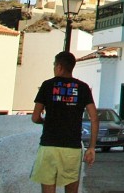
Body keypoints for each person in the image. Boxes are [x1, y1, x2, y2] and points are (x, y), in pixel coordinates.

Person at [30, 51, 98, 193]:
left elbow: (35, 117)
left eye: (54, 65)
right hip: (72, 148)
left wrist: (44, 121)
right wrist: (91, 147)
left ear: (59, 67)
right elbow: (94, 118)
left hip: (49, 146)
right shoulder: (83, 87)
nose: (54, 68)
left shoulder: (47, 85)